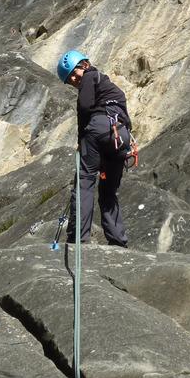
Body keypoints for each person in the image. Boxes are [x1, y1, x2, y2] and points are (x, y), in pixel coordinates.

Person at [56, 50, 132, 247]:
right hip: (119, 138)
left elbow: (84, 106)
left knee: (85, 182)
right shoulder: (111, 87)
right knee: (108, 191)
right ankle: (118, 240)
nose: (73, 79)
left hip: (99, 130)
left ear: (85, 65)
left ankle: (78, 239)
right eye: (69, 79)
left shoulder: (90, 77)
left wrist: (82, 139)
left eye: (74, 73)